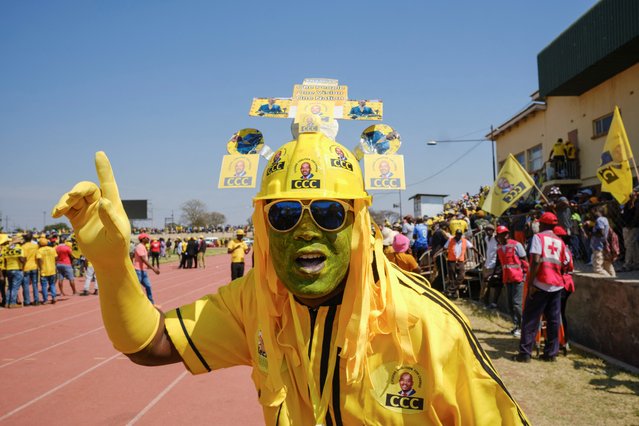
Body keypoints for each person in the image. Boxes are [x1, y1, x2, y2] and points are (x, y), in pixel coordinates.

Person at [52, 134, 528, 424]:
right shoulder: (252, 301)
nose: (305, 230)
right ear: (262, 224)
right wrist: (113, 264)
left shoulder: (429, 326)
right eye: (283, 214)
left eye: (327, 212)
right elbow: (150, 344)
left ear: (360, 226)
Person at [513, 212, 567, 363]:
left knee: (530, 319)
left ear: (542, 224)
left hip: (540, 283)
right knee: (553, 320)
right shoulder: (560, 242)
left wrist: (530, 284)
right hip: (556, 284)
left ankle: (525, 354)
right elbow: (564, 262)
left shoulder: (538, 237)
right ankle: (550, 353)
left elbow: (536, 260)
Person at [495, 226, 528, 337]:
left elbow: (524, 260)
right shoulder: (499, 248)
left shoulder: (516, 245)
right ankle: (516, 325)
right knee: (510, 304)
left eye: (504, 233)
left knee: (517, 304)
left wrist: (526, 275)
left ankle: (522, 326)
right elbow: (501, 264)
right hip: (507, 278)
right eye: (500, 234)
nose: (503, 236)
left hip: (518, 277)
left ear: (508, 234)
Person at [442, 229, 483, 299]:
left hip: (460, 261)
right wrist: (446, 256)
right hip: (451, 261)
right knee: (452, 277)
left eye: (460, 234)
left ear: (461, 235)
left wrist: (480, 254)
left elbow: (472, 248)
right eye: (457, 234)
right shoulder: (450, 240)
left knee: (462, 275)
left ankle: (449, 290)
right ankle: (453, 295)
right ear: (455, 234)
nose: (458, 236)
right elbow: (444, 248)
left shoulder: (464, 241)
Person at [133, 233, 159, 303]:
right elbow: (143, 259)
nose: (148, 239)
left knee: (148, 286)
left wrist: (150, 268)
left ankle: (151, 303)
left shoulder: (143, 246)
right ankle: (136, 302)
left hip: (143, 271)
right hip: (138, 270)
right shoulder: (140, 247)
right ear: (143, 239)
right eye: (147, 238)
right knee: (137, 288)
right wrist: (153, 269)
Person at [590, 206, 615, 276]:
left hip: (598, 246)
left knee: (597, 268)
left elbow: (601, 232)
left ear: (598, 212)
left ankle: (608, 279)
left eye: (594, 212)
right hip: (603, 245)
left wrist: (591, 233)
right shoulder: (605, 219)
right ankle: (613, 277)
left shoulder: (599, 220)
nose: (592, 214)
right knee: (607, 265)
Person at [3, 235, 25, 308]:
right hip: (17, 269)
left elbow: (5, 260)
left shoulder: (6, 249)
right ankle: (12, 303)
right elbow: (21, 259)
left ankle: (7, 302)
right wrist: (24, 261)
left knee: (10, 287)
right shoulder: (19, 248)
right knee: (15, 287)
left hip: (8, 269)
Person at [479, 224, 498, 307]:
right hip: (487, 263)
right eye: (487, 230)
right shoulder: (486, 238)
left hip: (493, 264)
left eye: (490, 229)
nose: (488, 231)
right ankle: (482, 299)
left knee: (488, 283)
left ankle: (485, 300)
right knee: (484, 283)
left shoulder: (496, 238)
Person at [21, 232, 42, 305]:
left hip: (26, 267)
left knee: (26, 285)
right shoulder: (35, 246)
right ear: (31, 238)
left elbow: (23, 258)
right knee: (35, 284)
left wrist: (22, 268)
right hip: (34, 266)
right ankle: (36, 300)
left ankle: (27, 301)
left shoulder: (23, 247)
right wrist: (40, 267)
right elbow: (38, 257)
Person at [37, 237, 58, 303]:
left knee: (44, 286)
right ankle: (54, 297)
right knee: (52, 284)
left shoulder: (39, 250)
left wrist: (40, 267)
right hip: (52, 270)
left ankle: (45, 299)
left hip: (44, 271)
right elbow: (56, 257)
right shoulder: (52, 249)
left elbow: (39, 259)